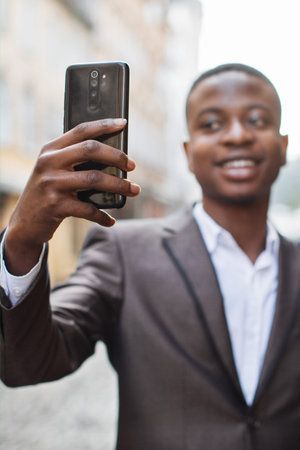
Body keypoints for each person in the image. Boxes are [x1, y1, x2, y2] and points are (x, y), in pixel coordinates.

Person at [1, 63, 299, 450]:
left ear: (284, 148)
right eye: (211, 124)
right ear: (189, 154)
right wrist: (22, 241)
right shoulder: (125, 251)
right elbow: (30, 363)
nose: (237, 136)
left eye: (257, 120)